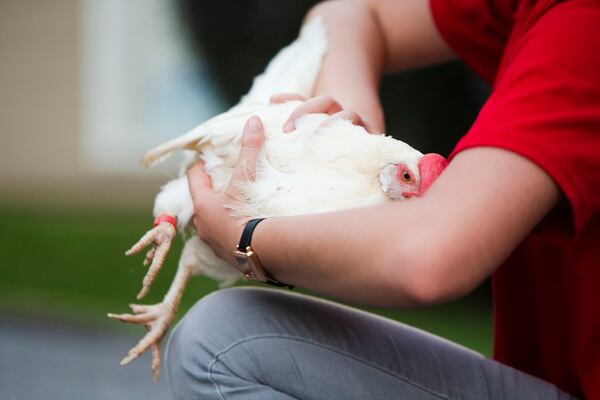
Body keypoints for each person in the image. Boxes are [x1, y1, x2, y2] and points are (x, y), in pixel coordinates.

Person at [165, 0, 600, 398]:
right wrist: (349, 124)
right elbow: (347, 13)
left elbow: (429, 259)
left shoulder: (582, 30)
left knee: (223, 342)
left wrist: (245, 238)